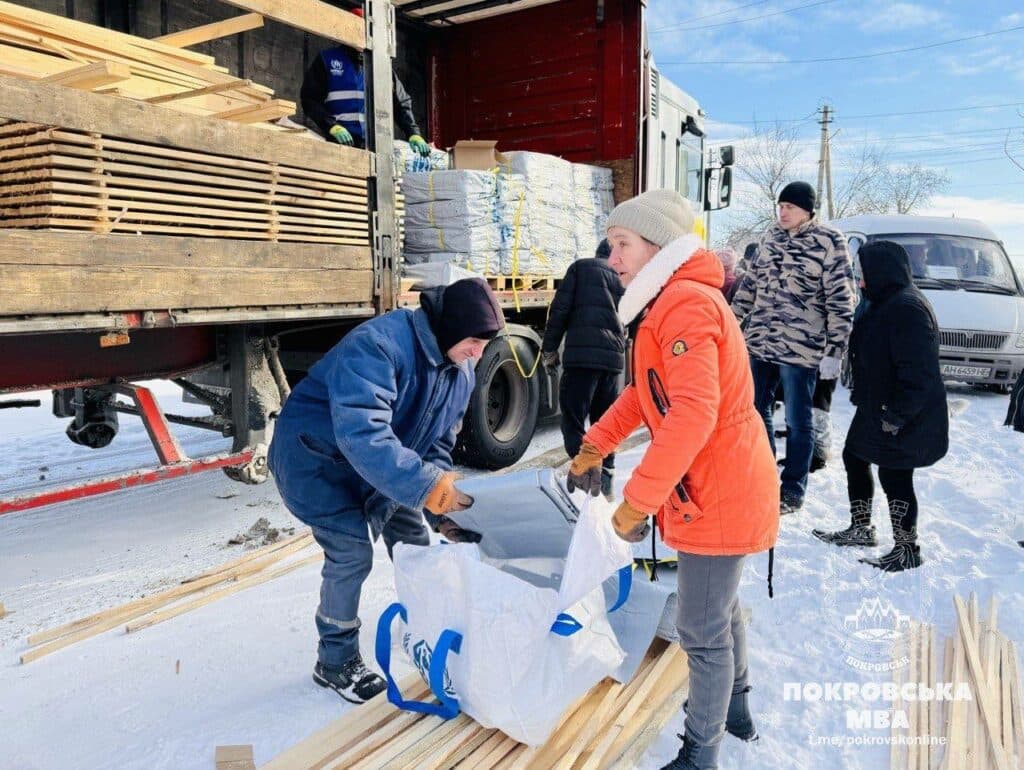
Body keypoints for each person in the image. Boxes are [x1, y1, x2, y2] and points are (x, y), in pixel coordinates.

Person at [566, 190, 779, 770]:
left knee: (701, 629)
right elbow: (644, 393)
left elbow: (691, 413)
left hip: (719, 485)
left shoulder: (684, 303)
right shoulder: (667, 303)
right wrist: (596, 444)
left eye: (623, 244)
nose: (613, 258)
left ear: (658, 244)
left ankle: (699, 754)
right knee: (721, 607)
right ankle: (736, 709)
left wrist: (635, 503)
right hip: (717, 480)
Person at [267, 278, 504, 703]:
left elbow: (438, 447)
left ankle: (424, 623)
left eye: (486, 345)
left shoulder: (460, 371)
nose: (479, 354)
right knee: (351, 554)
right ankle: (335, 662)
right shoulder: (377, 346)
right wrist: (429, 487)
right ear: (449, 328)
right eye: (474, 341)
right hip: (316, 463)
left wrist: (442, 510)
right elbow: (364, 435)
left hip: (383, 468)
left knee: (414, 539)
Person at [812, 241, 948, 571]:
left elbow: (919, 373)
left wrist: (896, 415)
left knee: (895, 474)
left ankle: (907, 548)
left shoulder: (907, 308)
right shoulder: (880, 300)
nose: (860, 280)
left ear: (884, 271)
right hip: (879, 405)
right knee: (854, 456)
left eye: (865, 273)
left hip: (905, 412)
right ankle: (861, 528)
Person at [731, 181, 856, 513]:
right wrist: (729, 323)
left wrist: (835, 350)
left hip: (801, 349)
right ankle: (762, 476)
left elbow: (842, 299)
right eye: (780, 206)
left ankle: (792, 489)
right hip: (759, 342)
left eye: (790, 207)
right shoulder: (770, 238)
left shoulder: (829, 242)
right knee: (755, 414)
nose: (783, 212)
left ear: (808, 211)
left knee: (799, 421)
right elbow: (750, 285)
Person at [541, 238, 625, 499]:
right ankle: (606, 476)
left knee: (574, 419)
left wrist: (550, 348)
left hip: (581, 359)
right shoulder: (625, 278)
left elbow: (559, 311)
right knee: (606, 423)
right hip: (613, 363)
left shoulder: (581, 268)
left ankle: (584, 473)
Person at [300, 9, 430, 155]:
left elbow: (401, 104)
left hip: (376, 149)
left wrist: (413, 133)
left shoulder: (381, 66)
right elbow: (310, 99)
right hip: (340, 145)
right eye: (357, 29)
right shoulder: (327, 59)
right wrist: (331, 126)